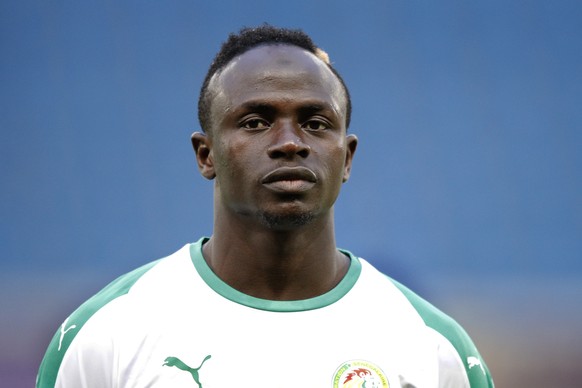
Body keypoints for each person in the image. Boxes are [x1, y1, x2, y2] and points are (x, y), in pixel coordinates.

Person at [36, 25, 494, 388]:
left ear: (347, 156)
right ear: (206, 154)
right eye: (256, 122)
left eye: (316, 123)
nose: (291, 143)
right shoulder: (108, 334)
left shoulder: (433, 349)